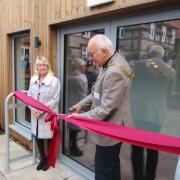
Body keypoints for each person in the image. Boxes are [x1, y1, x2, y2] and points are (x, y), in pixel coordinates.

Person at [68, 34, 134, 180]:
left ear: (104, 51)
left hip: (110, 129)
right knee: (112, 166)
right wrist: (80, 105)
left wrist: (80, 118)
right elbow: (95, 93)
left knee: (103, 171)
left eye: (91, 54)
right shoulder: (111, 63)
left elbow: (105, 109)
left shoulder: (114, 71)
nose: (89, 58)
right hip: (112, 127)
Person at [130, 45, 176, 180]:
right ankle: (150, 177)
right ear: (162, 55)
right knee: (153, 148)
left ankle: (138, 177)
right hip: (156, 115)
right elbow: (169, 94)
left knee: (137, 148)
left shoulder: (137, 66)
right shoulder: (170, 71)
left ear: (149, 53)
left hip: (138, 113)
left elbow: (131, 86)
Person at [27, 56, 60, 171]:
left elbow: (55, 100)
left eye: (43, 65)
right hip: (34, 114)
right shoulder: (33, 79)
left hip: (47, 115)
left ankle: (49, 160)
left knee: (49, 138)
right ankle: (42, 158)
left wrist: (40, 111)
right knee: (38, 137)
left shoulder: (54, 81)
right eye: (39, 65)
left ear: (47, 66)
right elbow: (29, 96)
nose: (41, 67)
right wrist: (33, 109)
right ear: (37, 67)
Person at [68, 58, 88, 156]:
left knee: (72, 129)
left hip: (70, 104)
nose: (85, 67)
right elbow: (83, 94)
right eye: (83, 66)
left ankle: (72, 146)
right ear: (79, 67)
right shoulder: (80, 78)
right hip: (77, 105)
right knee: (74, 129)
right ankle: (73, 148)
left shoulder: (69, 77)